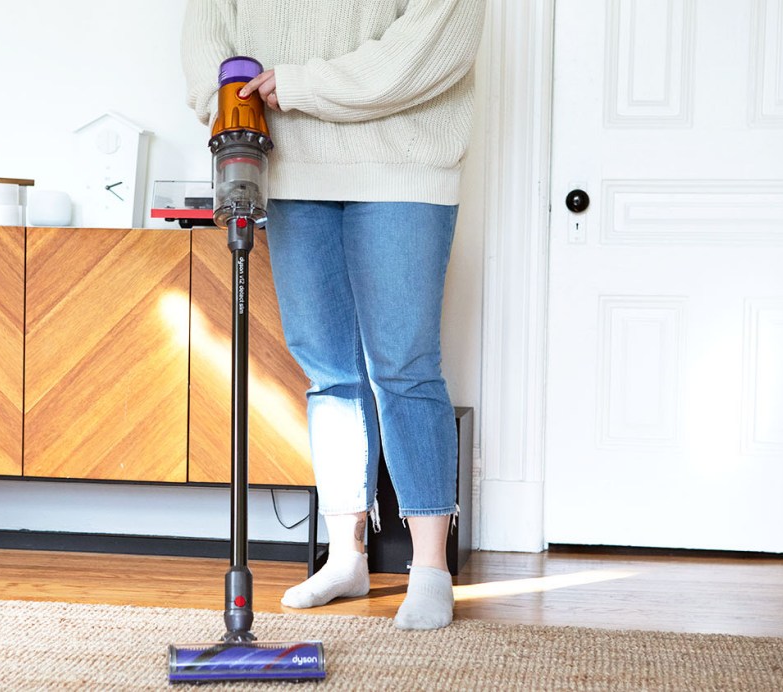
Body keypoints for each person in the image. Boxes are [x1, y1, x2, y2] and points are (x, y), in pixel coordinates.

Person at [181, 0, 485, 631]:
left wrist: (298, 84)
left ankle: (430, 570)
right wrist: (228, 95)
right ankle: (346, 556)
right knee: (327, 367)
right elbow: (208, 35)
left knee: (403, 362)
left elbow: (429, 49)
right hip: (288, 167)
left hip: (401, 167)